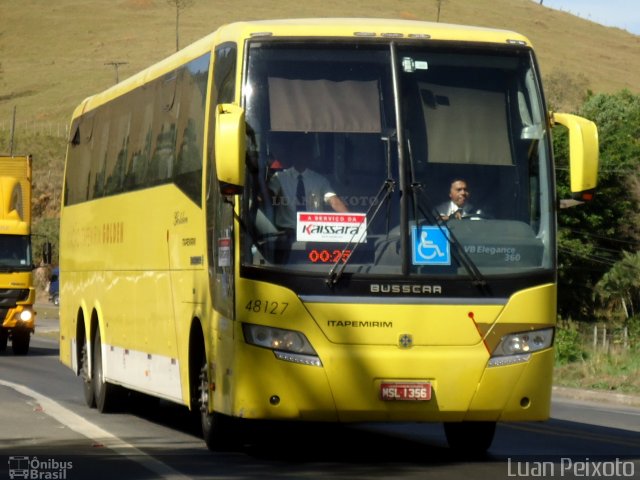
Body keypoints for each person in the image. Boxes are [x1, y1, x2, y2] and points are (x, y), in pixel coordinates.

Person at [268, 134, 348, 231]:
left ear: (310, 154)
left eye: (306, 150)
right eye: (299, 149)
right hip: (287, 233)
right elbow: (266, 196)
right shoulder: (280, 178)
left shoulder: (320, 180)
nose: (302, 153)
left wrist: (353, 221)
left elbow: (334, 201)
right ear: (293, 153)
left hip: (314, 232)